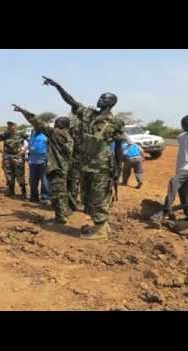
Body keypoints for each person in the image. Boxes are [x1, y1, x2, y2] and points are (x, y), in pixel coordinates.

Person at [42, 76, 125, 240]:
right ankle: (98, 225)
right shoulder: (88, 114)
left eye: (103, 98)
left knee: (99, 196)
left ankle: (101, 228)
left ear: (110, 103)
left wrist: (119, 167)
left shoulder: (116, 122)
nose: (99, 99)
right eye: (100, 96)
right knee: (87, 195)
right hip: (85, 164)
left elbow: (119, 145)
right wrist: (58, 86)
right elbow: (71, 101)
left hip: (101, 166)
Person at [13, 105, 73, 225]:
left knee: (57, 194)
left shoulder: (56, 133)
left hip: (57, 168)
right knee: (64, 192)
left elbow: (36, 122)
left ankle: (60, 218)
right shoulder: (69, 135)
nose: (55, 124)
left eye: (57, 122)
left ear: (62, 125)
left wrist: (23, 111)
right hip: (66, 168)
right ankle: (65, 212)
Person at [0, 121, 28, 198]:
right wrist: (1, 150)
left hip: (18, 156)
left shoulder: (21, 134)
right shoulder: (5, 134)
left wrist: (24, 150)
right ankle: (11, 191)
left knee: (20, 174)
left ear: (15, 126)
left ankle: (23, 192)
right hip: (7, 156)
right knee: (8, 174)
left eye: (11, 125)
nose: (10, 127)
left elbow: (30, 142)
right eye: (8, 125)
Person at [28, 127, 50, 204]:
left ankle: (45, 197)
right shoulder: (32, 135)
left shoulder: (46, 135)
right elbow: (29, 146)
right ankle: (34, 196)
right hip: (32, 161)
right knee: (32, 180)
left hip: (43, 160)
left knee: (44, 180)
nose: (34, 129)